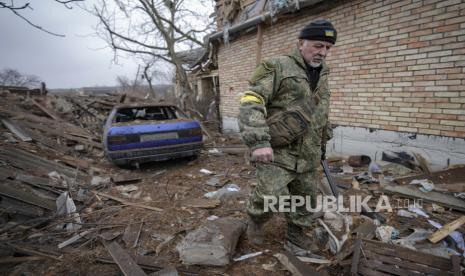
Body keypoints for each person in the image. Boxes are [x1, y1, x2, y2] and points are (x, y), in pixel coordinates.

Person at [238, 19, 336, 251]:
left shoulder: (323, 74)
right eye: (318, 45)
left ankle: (296, 235)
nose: (322, 52)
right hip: (279, 149)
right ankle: (256, 220)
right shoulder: (277, 66)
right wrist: (258, 142)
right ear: (301, 43)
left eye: (327, 48)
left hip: (310, 153)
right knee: (269, 195)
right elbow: (251, 101)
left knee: (305, 199)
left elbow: (320, 111)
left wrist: (324, 140)